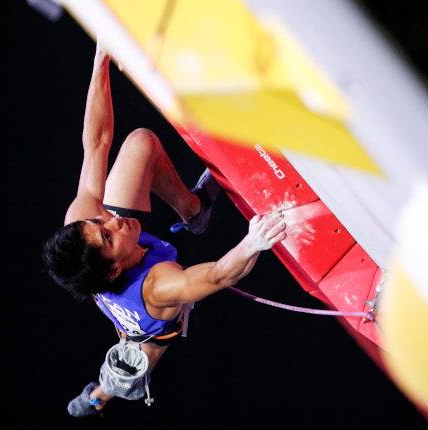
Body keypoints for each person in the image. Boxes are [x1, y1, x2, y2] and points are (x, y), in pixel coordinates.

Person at [42, 41, 287, 416]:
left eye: (99, 221)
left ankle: (194, 211)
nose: (112, 218)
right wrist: (253, 242)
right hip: (147, 331)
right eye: (107, 234)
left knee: (140, 143)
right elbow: (220, 275)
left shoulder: (86, 228)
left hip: (112, 276)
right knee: (125, 375)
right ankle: (97, 397)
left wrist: (99, 61)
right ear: (113, 268)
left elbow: (96, 143)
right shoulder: (160, 286)